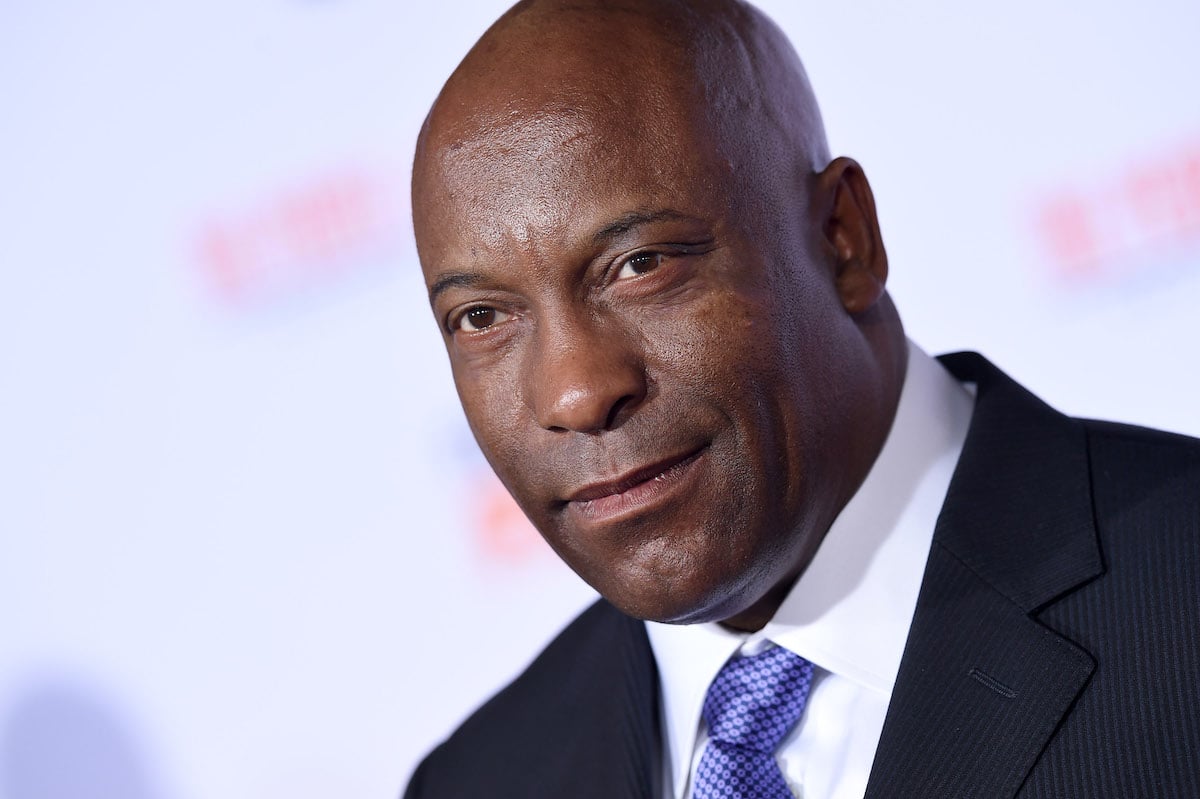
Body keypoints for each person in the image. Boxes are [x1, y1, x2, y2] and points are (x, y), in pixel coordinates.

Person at [405, 1, 1200, 797]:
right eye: (481, 317)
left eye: (641, 264)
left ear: (843, 239)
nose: (576, 393)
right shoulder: (474, 782)